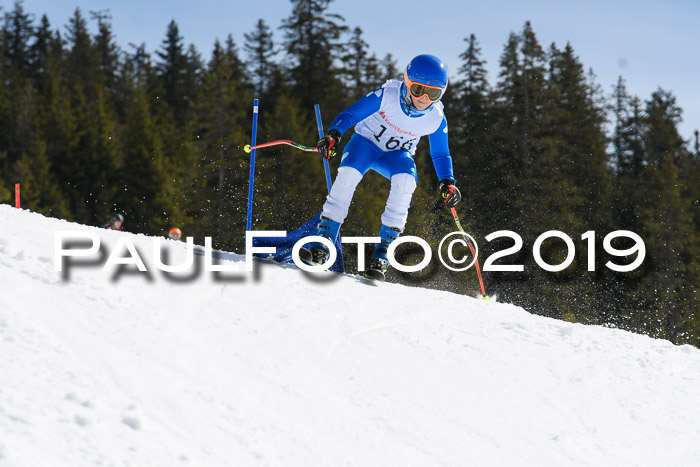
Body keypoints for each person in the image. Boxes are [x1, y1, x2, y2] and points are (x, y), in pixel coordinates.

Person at [301, 54, 461, 281]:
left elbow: (440, 153)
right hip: (365, 145)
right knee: (347, 175)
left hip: (395, 156)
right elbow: (351, 114)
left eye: (433, 93)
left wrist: (447, 182)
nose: (424, 98)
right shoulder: (388, 95)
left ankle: (382, 253)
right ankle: (322, 242)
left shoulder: (435, 118)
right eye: (417, 90)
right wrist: (333, 135)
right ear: (407, 82)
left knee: (407, 181)